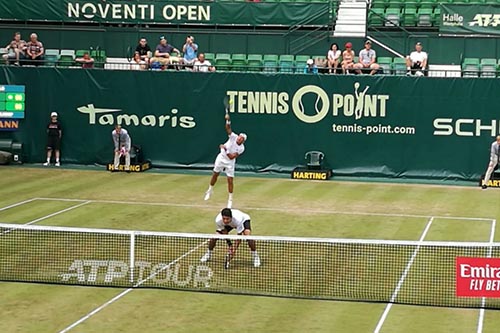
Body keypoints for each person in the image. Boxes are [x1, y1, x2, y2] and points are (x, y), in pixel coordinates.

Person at [204, 112, 247, 208]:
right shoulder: (233, 136)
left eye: (241, 139)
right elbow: (228, 128)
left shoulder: (241, 148)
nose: (239, 139)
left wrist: (225, 149)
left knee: (230, 180)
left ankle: (230, 200)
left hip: (230, 162)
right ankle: (210, 190)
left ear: (243, 141)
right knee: (215, 174)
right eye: (239, 137)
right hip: (221, 158)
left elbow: (231, 157)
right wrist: (228, 120)